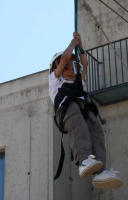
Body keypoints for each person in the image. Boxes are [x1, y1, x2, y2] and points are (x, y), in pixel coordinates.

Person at [48, 32, 123, 189]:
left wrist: (80, 47)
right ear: (58, 68)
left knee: (96, 132)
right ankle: (83, 160)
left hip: (82, 110)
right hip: (67, 110)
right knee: (79, 125)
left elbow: (85, 63)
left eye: (73, 68)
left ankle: (100, 170)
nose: (70, 71)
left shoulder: (79, 82)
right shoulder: (55, 80)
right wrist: (73, 43)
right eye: (66, 67)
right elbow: (65, 58)